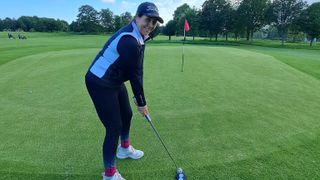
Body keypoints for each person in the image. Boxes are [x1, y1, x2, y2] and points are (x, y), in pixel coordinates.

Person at [85, 2, 163, 180]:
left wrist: (138, 99)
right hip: (99, 82)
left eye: (154, 22)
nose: (150, 25)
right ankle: (109, 174)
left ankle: (124, 149)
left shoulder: (140, 36)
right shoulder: (129, 40)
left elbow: (137, 70)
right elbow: (135, 75)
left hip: (114, 80)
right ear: (136, 17)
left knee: (126, 114)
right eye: (147, 19)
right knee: (114, 127)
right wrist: (142, 103)